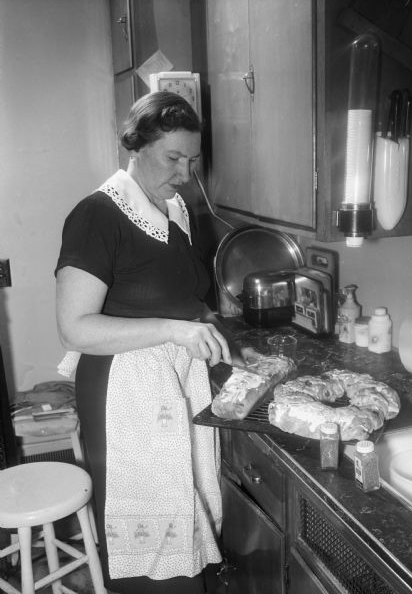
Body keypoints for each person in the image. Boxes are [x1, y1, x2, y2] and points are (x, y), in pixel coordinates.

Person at [55, 91, 253, 594]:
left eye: (192, 160)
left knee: (184, 517)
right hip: (125, 396)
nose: (186, 174)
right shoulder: (97, 215)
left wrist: (221, 337)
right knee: (149, 541)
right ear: (136, 145)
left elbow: (184, 299)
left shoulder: (174, 209)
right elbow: (75, 327)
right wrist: (174, 330)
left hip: (173, 388)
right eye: (173, 158)